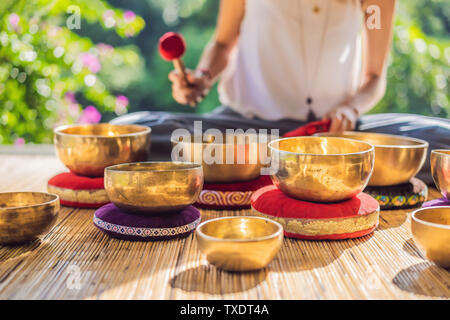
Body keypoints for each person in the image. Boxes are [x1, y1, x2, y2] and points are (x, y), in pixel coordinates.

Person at [112, 0, 449, 184]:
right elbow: (223, 43)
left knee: (442, 140)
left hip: (337, 140)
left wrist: (351, 108)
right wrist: (202, 76)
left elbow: (375, 76)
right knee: (129, 133)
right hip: (248, 135)